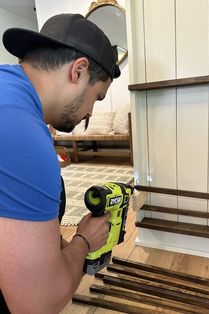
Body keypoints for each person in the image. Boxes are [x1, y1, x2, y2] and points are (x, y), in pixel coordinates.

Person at [0, 13, 120, 313]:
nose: (90, 113)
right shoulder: (20, 129)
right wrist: (83, 241)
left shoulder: (8, 94)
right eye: (98, 97)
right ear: (78, 71)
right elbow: (36, 305)